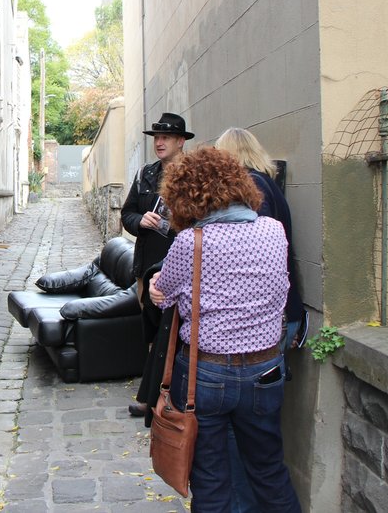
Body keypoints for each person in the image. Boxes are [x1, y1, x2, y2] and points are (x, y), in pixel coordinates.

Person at [149, 147, 301, 513]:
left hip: (205, 374)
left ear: (185, 196)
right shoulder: (273, 230)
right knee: (269, 472)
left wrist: (157, 285)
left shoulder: (190, 243)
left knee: (211, 481)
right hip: (265, 370)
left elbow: (163, 295)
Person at [122, 112, 193, 417]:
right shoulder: (144, 175)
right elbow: (126, 216)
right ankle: (153, 395)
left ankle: (163, 397)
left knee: (175, 331)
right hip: (148, 265)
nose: (159, 143)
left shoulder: (193, 175)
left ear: (180, 141)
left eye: (165, 138)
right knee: (151, 332)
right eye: (156, 138)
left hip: (180, 265)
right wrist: (141, 220)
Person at [215, 127, 306, 350]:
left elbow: (255, 252)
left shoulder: (253, 187)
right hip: (278, 307)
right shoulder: (265, 182)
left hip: (268, 314)